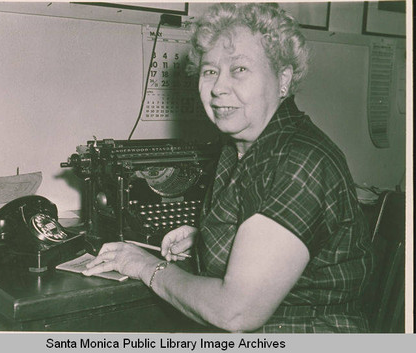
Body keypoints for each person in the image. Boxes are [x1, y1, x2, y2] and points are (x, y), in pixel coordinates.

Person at [83, 3, 373, 333]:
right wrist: (211, 240)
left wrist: (145, 265)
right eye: (210, 71)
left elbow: (234, 313)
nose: (218, 87)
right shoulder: (240, 148)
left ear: (283, 79)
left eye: (239, 70)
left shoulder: (299, 159)